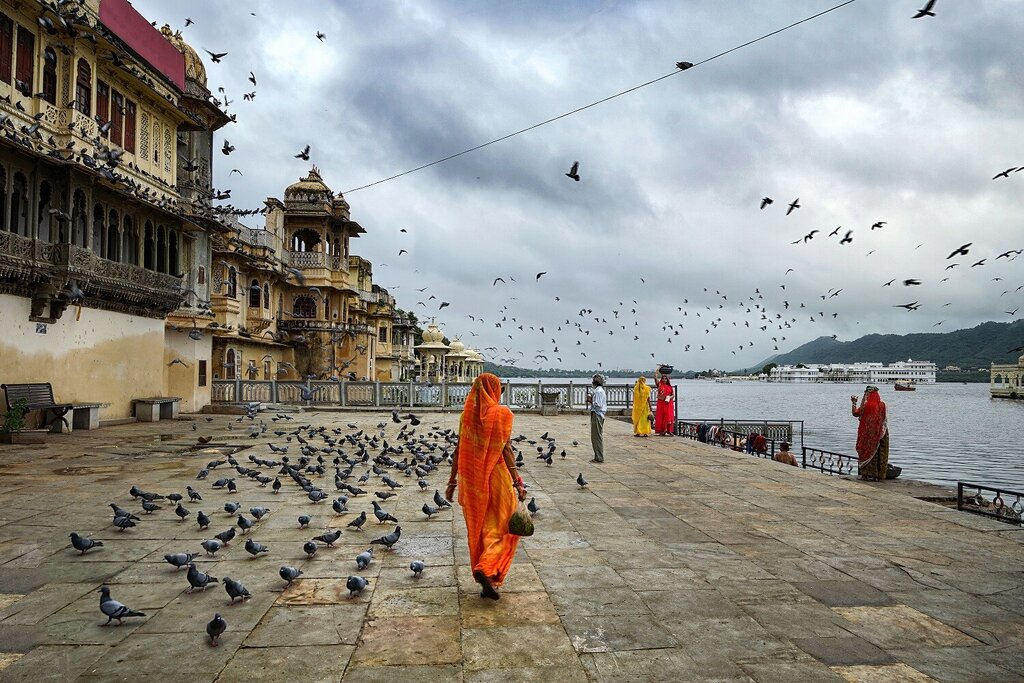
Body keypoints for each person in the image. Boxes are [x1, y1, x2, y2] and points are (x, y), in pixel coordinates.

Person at [445, 373, 527, 600]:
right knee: (505, 527)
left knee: (482, 527)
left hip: (473, 482)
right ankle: (487, 568)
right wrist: (518, 481)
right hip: (497, 477)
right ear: (494, 390)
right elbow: (507, 450)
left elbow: (458, 451)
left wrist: (452, 481)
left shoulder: (466, 417)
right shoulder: (501, 414)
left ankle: (487, 578)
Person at [851, 386, 890, 480]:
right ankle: (878, 475)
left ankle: (867, 475)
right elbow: (883, 419)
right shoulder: (883, 405)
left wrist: (853, 402)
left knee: (866, 452)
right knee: (879, 453)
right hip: (882, 433)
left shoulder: (866, 405)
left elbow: (855, 413)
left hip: (868, 433)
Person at [587, 374, 606, 462]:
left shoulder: (598, 391)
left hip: (597, 414)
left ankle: (599, 457)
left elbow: (598, 405)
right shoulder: (599, 390)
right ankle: (597, 456)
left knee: (596, 436)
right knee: (596, 436)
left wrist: (590, 400)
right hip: (597, 414)